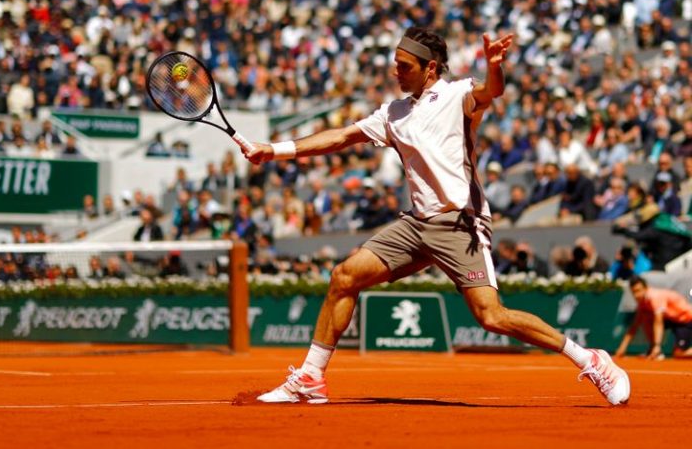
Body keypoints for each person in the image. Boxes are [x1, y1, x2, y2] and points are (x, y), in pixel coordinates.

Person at [242, 28, 629, 406]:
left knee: (491, 317)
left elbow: (491, 91)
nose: (396, 72)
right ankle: (310, 378)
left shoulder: (458, 94)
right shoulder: (393, 113)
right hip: (416, 224)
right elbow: (342, 136)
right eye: (395, 64)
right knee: (345, 276)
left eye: (404, 66)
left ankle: (590, 359)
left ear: (430, 68)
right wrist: (273, 150)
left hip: (461, 223)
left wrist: (494, 66)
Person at [615, 276, 692, 359]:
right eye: (634, 292)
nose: (636, 295)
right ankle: (653, 349)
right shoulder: (642, 303)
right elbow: (634, 326)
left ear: (646, 288)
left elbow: (658, 322)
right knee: (646, 317)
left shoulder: (654, 297)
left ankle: (656, 349)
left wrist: (657, 346)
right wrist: (622, 347)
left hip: (687, 320)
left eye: (638, 291)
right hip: (672, 319)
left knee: (678, 354)